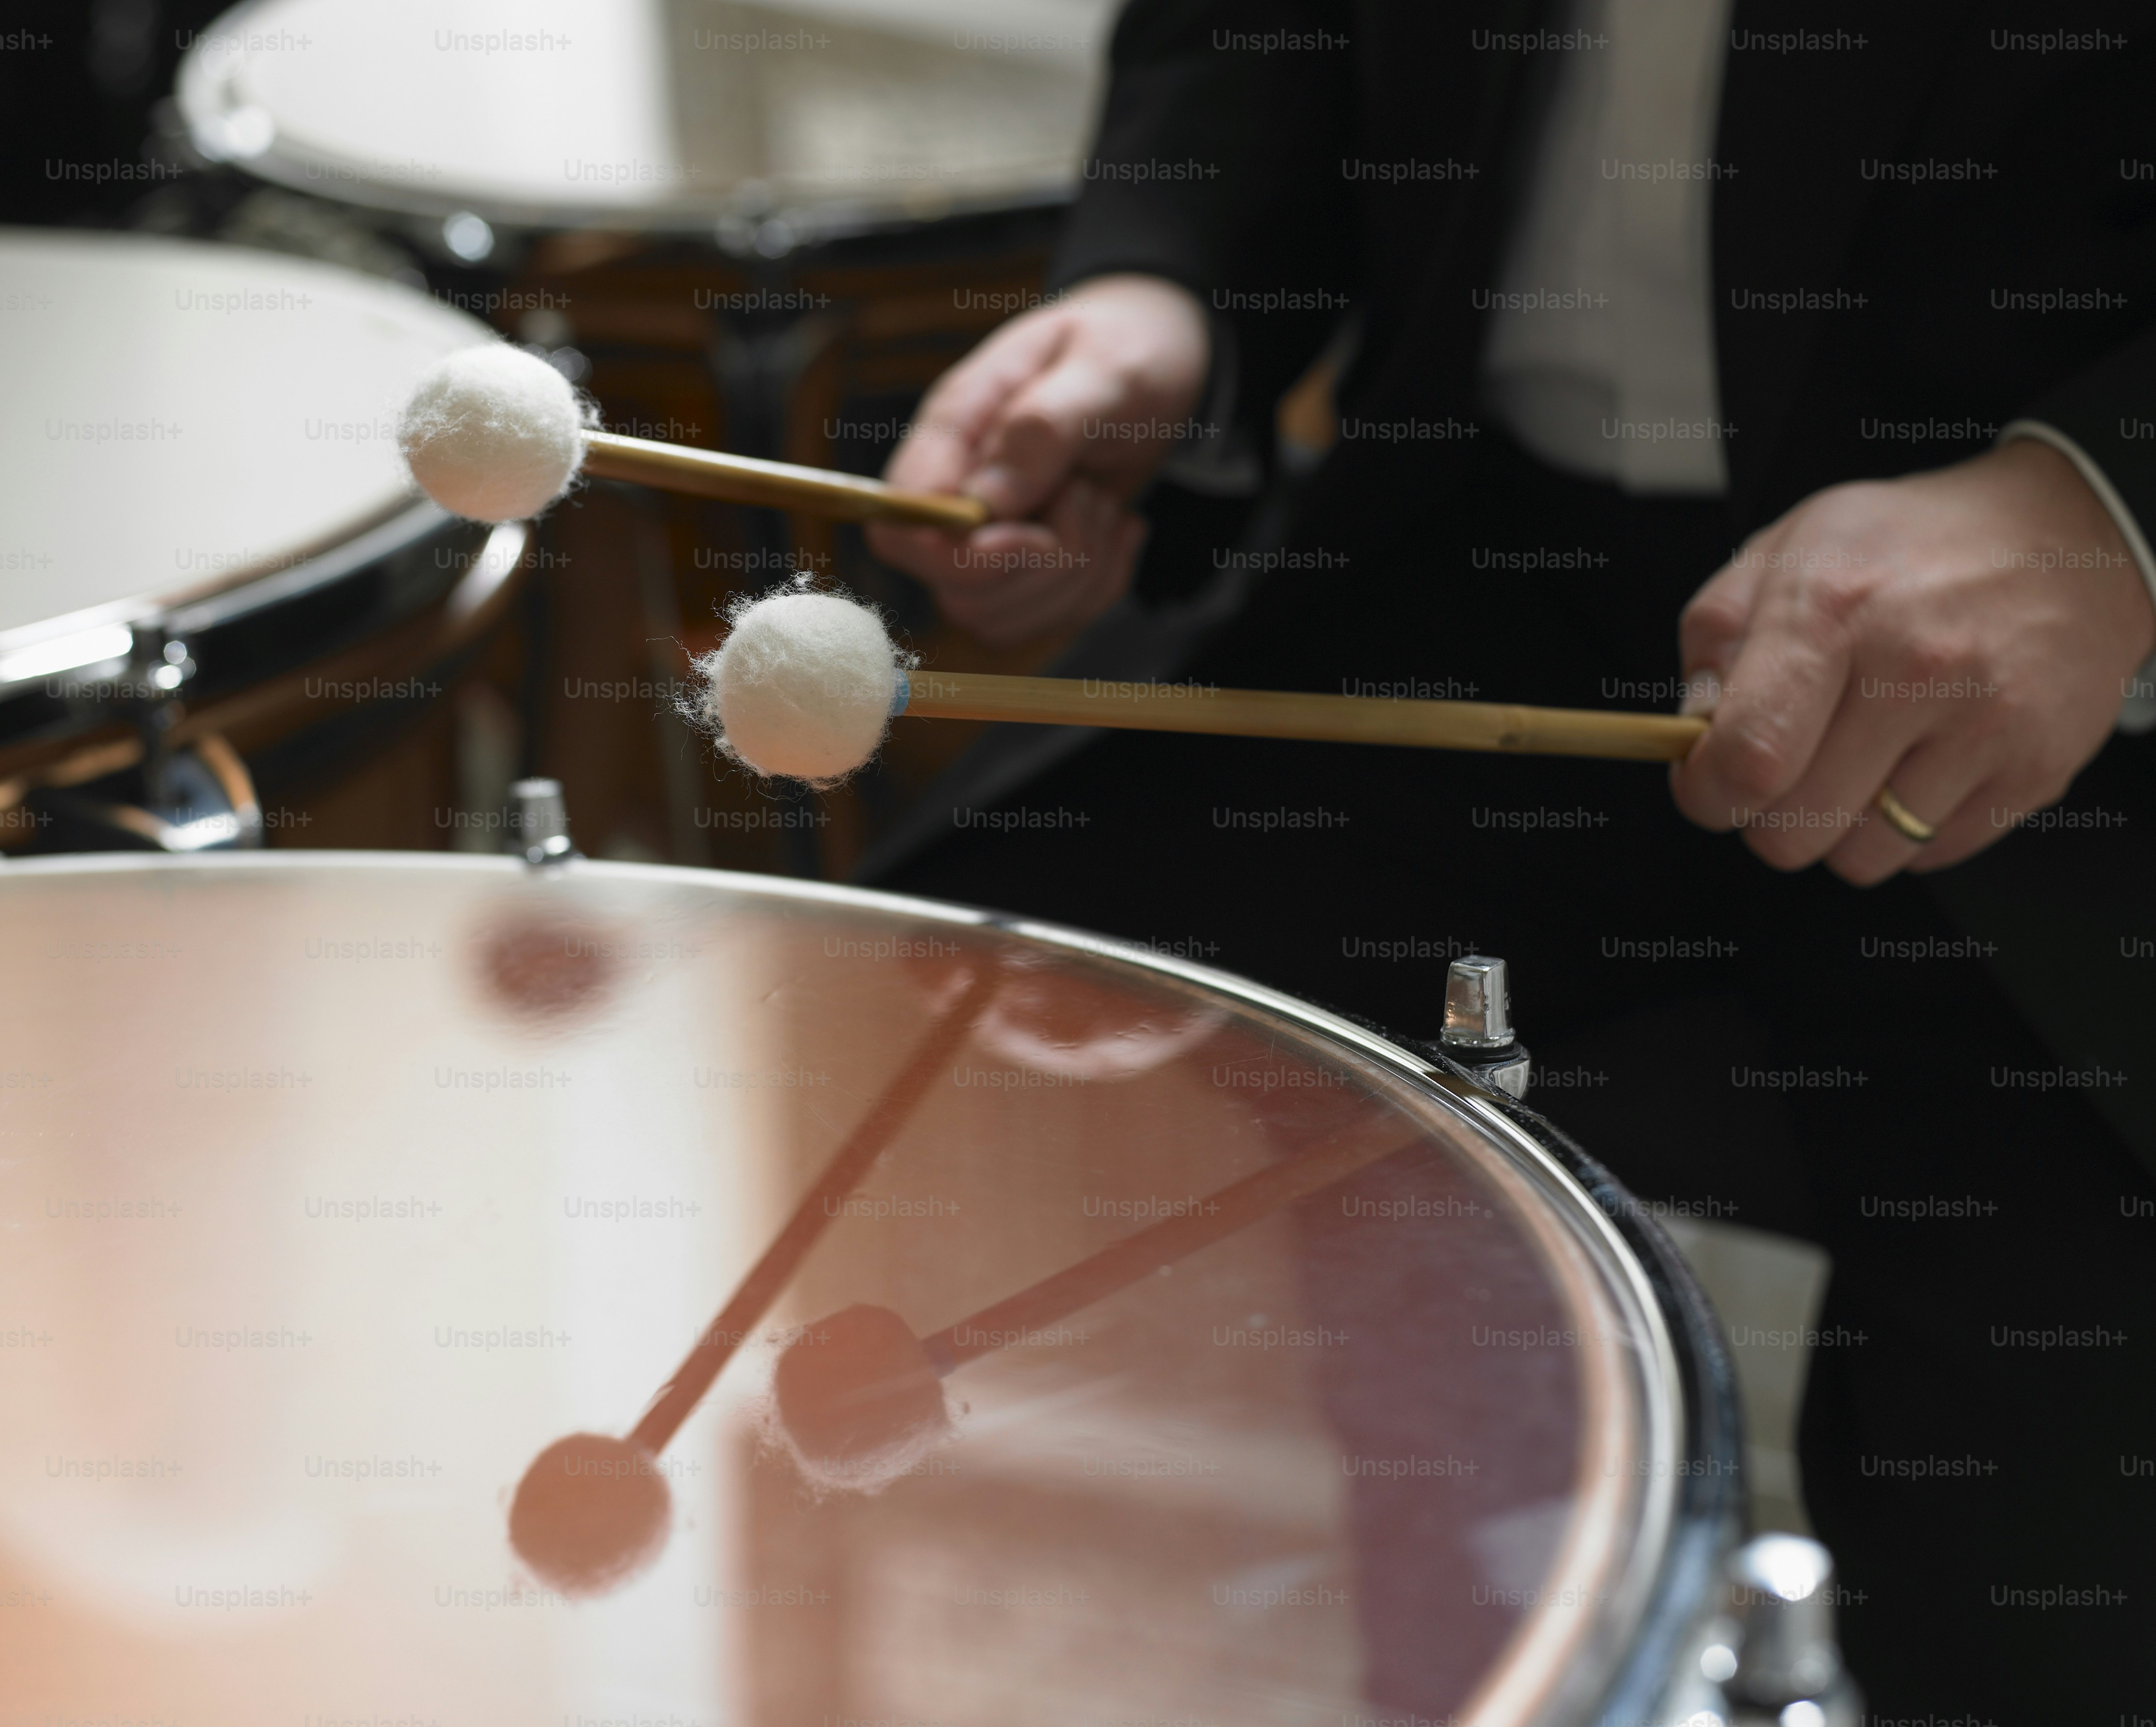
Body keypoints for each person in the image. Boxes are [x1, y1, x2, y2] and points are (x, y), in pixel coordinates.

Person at [861, 3, 2156, 1717]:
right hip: (1474, 580)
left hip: (2082, 741)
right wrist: (1172, 283)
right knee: (961, 1040)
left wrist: (2098, 510)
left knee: (2043, 1563)